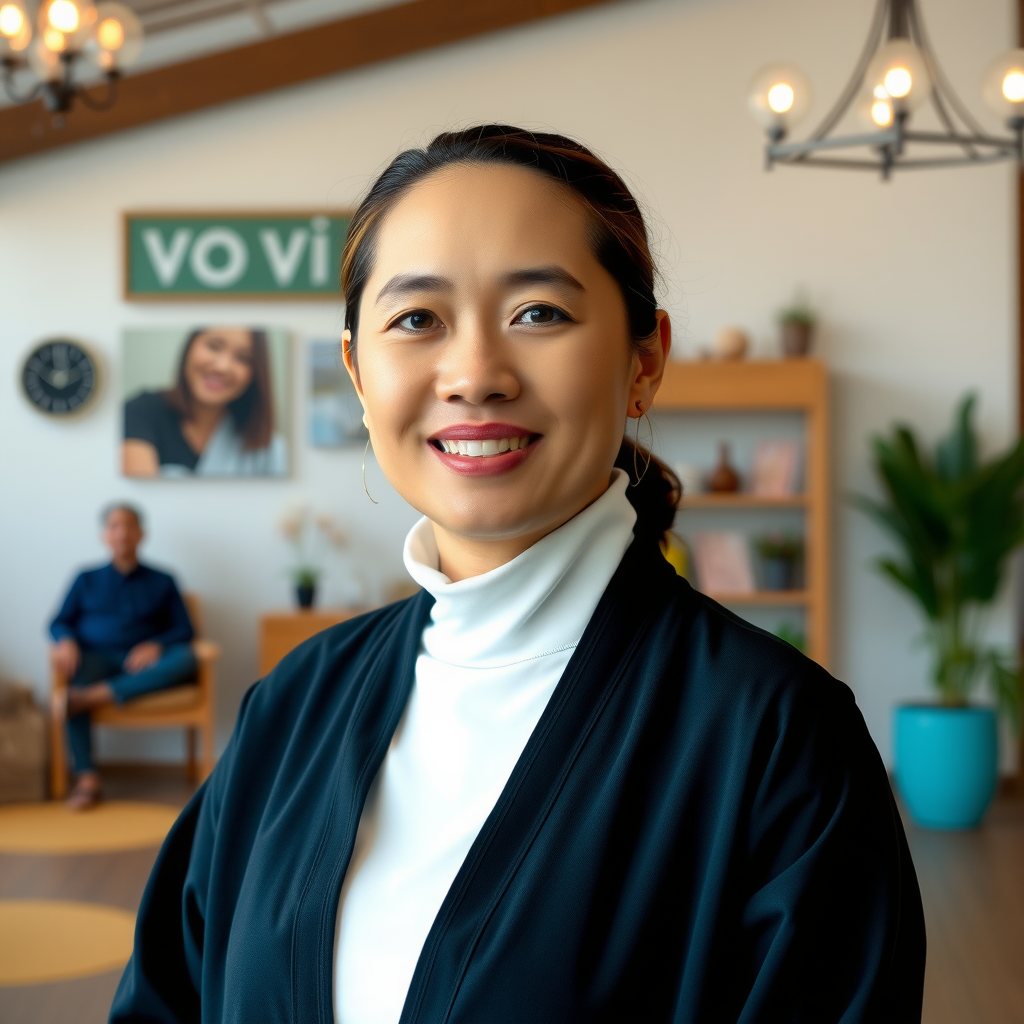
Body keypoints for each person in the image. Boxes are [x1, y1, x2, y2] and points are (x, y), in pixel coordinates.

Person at [111, 126, 925, 1022]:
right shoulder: (295, 703)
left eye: (538, 312)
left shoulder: (776, 740)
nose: (474, 375)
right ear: (356, 369)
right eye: (417, 319)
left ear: (643, 359)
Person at [50, 504, 197, 810]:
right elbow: (58, 621)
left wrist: (156, 643)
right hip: (95, 658)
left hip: (142, 666)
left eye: (129, 525)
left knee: (186, 658)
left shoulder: (163, 579)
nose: (122, 532)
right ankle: (87, 778)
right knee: (74, 673)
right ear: (105, 534)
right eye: (115, 525)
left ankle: (88, 697)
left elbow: (184, 629)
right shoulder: (85, 578)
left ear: (142, 533)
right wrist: (65, 641)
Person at [122, 326, 287, 477]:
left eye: (243, 358)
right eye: (213, 346)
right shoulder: (140, 412)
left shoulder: (271, 450)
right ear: (190, 346)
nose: (222, 367)